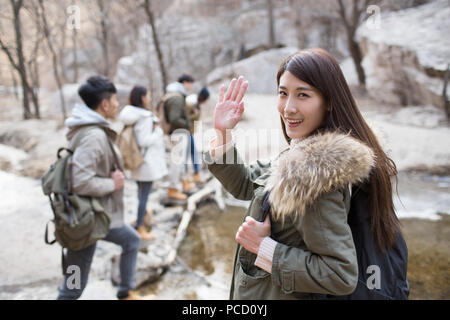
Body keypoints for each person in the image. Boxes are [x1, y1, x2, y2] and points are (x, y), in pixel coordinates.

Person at [205, 49, 407, 299]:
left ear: (329, 100)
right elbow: (247, 185)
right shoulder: (302, 150)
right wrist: (223, 133)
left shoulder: (316, 175)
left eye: (303, 95)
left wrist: (264, 248)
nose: (288, 108)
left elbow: (340, 274)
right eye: (283, 93)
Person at [58, 76, 152, 300]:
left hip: (99, 215)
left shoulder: (91, 129)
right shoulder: (93, 136)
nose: (118, 104)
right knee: (73, 287)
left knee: (132, 240)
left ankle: (125, 291)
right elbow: (79, 181)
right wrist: (113, 183)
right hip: (86, 221)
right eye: (115, 100)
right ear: (105, 104)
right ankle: (125, 290)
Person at [118, 85, 168, 240]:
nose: (150, 98)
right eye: (147, 95)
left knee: (140, 194)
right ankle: (139, 227)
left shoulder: (134, 115)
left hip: (139, 161)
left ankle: (141, 219)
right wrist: (158, 133)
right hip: (147, 163)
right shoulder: (145, 118)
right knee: (144, 196)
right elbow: (144, 141)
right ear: (142, 97)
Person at [163, 74, 197, 202]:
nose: (190, 87)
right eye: (190, 83)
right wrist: (187, 124)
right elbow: (174, 118)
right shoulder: (176, 97)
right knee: (176, 162)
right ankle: (172, 189)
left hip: (178, 132)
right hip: (178, 132)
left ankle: (183, 184)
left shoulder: (174, 95)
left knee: (180, 161)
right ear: (184, 83)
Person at [185, 86, 210, 185]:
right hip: (186, 131)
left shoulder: (196, 102)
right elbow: (187, 117)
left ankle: (195, 175)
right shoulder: (191, 102)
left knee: (193, 153)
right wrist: (196, 114)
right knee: (190, 154)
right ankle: (188, 177)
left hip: (190, 131)